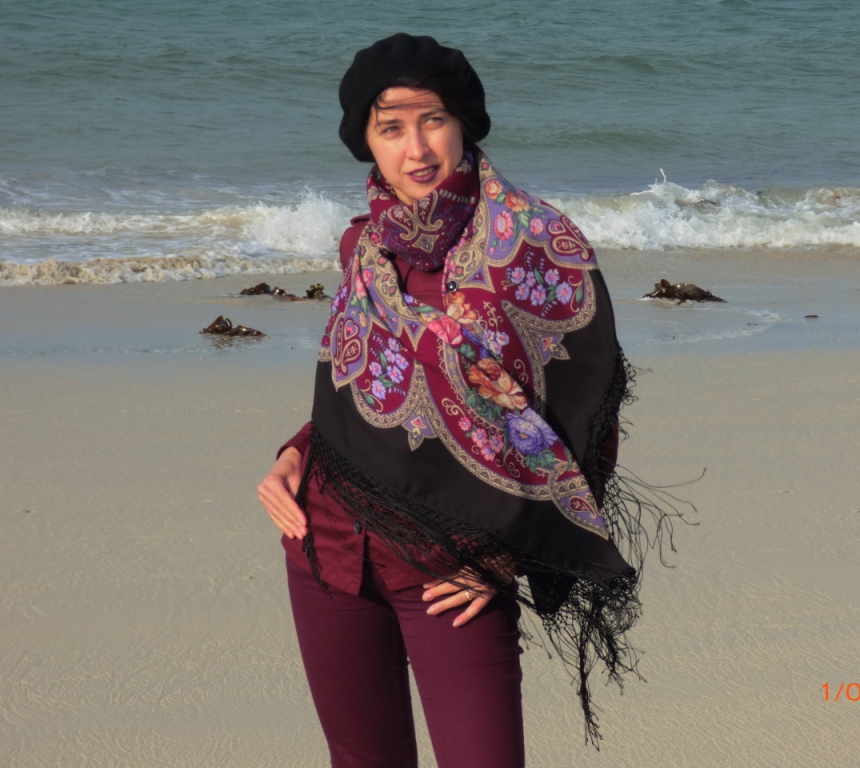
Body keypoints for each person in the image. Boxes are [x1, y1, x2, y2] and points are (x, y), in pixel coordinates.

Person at [258, 32, 667, 768]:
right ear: (365, 142)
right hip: (327, 543)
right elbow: (369, 386)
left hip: (454, 563)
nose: (416, 149)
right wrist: (296, 451)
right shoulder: (364, 247)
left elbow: (586, 418)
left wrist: (504, 556)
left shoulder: (535, 244)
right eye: (391, 127)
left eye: (433, 120)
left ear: (464, 122)